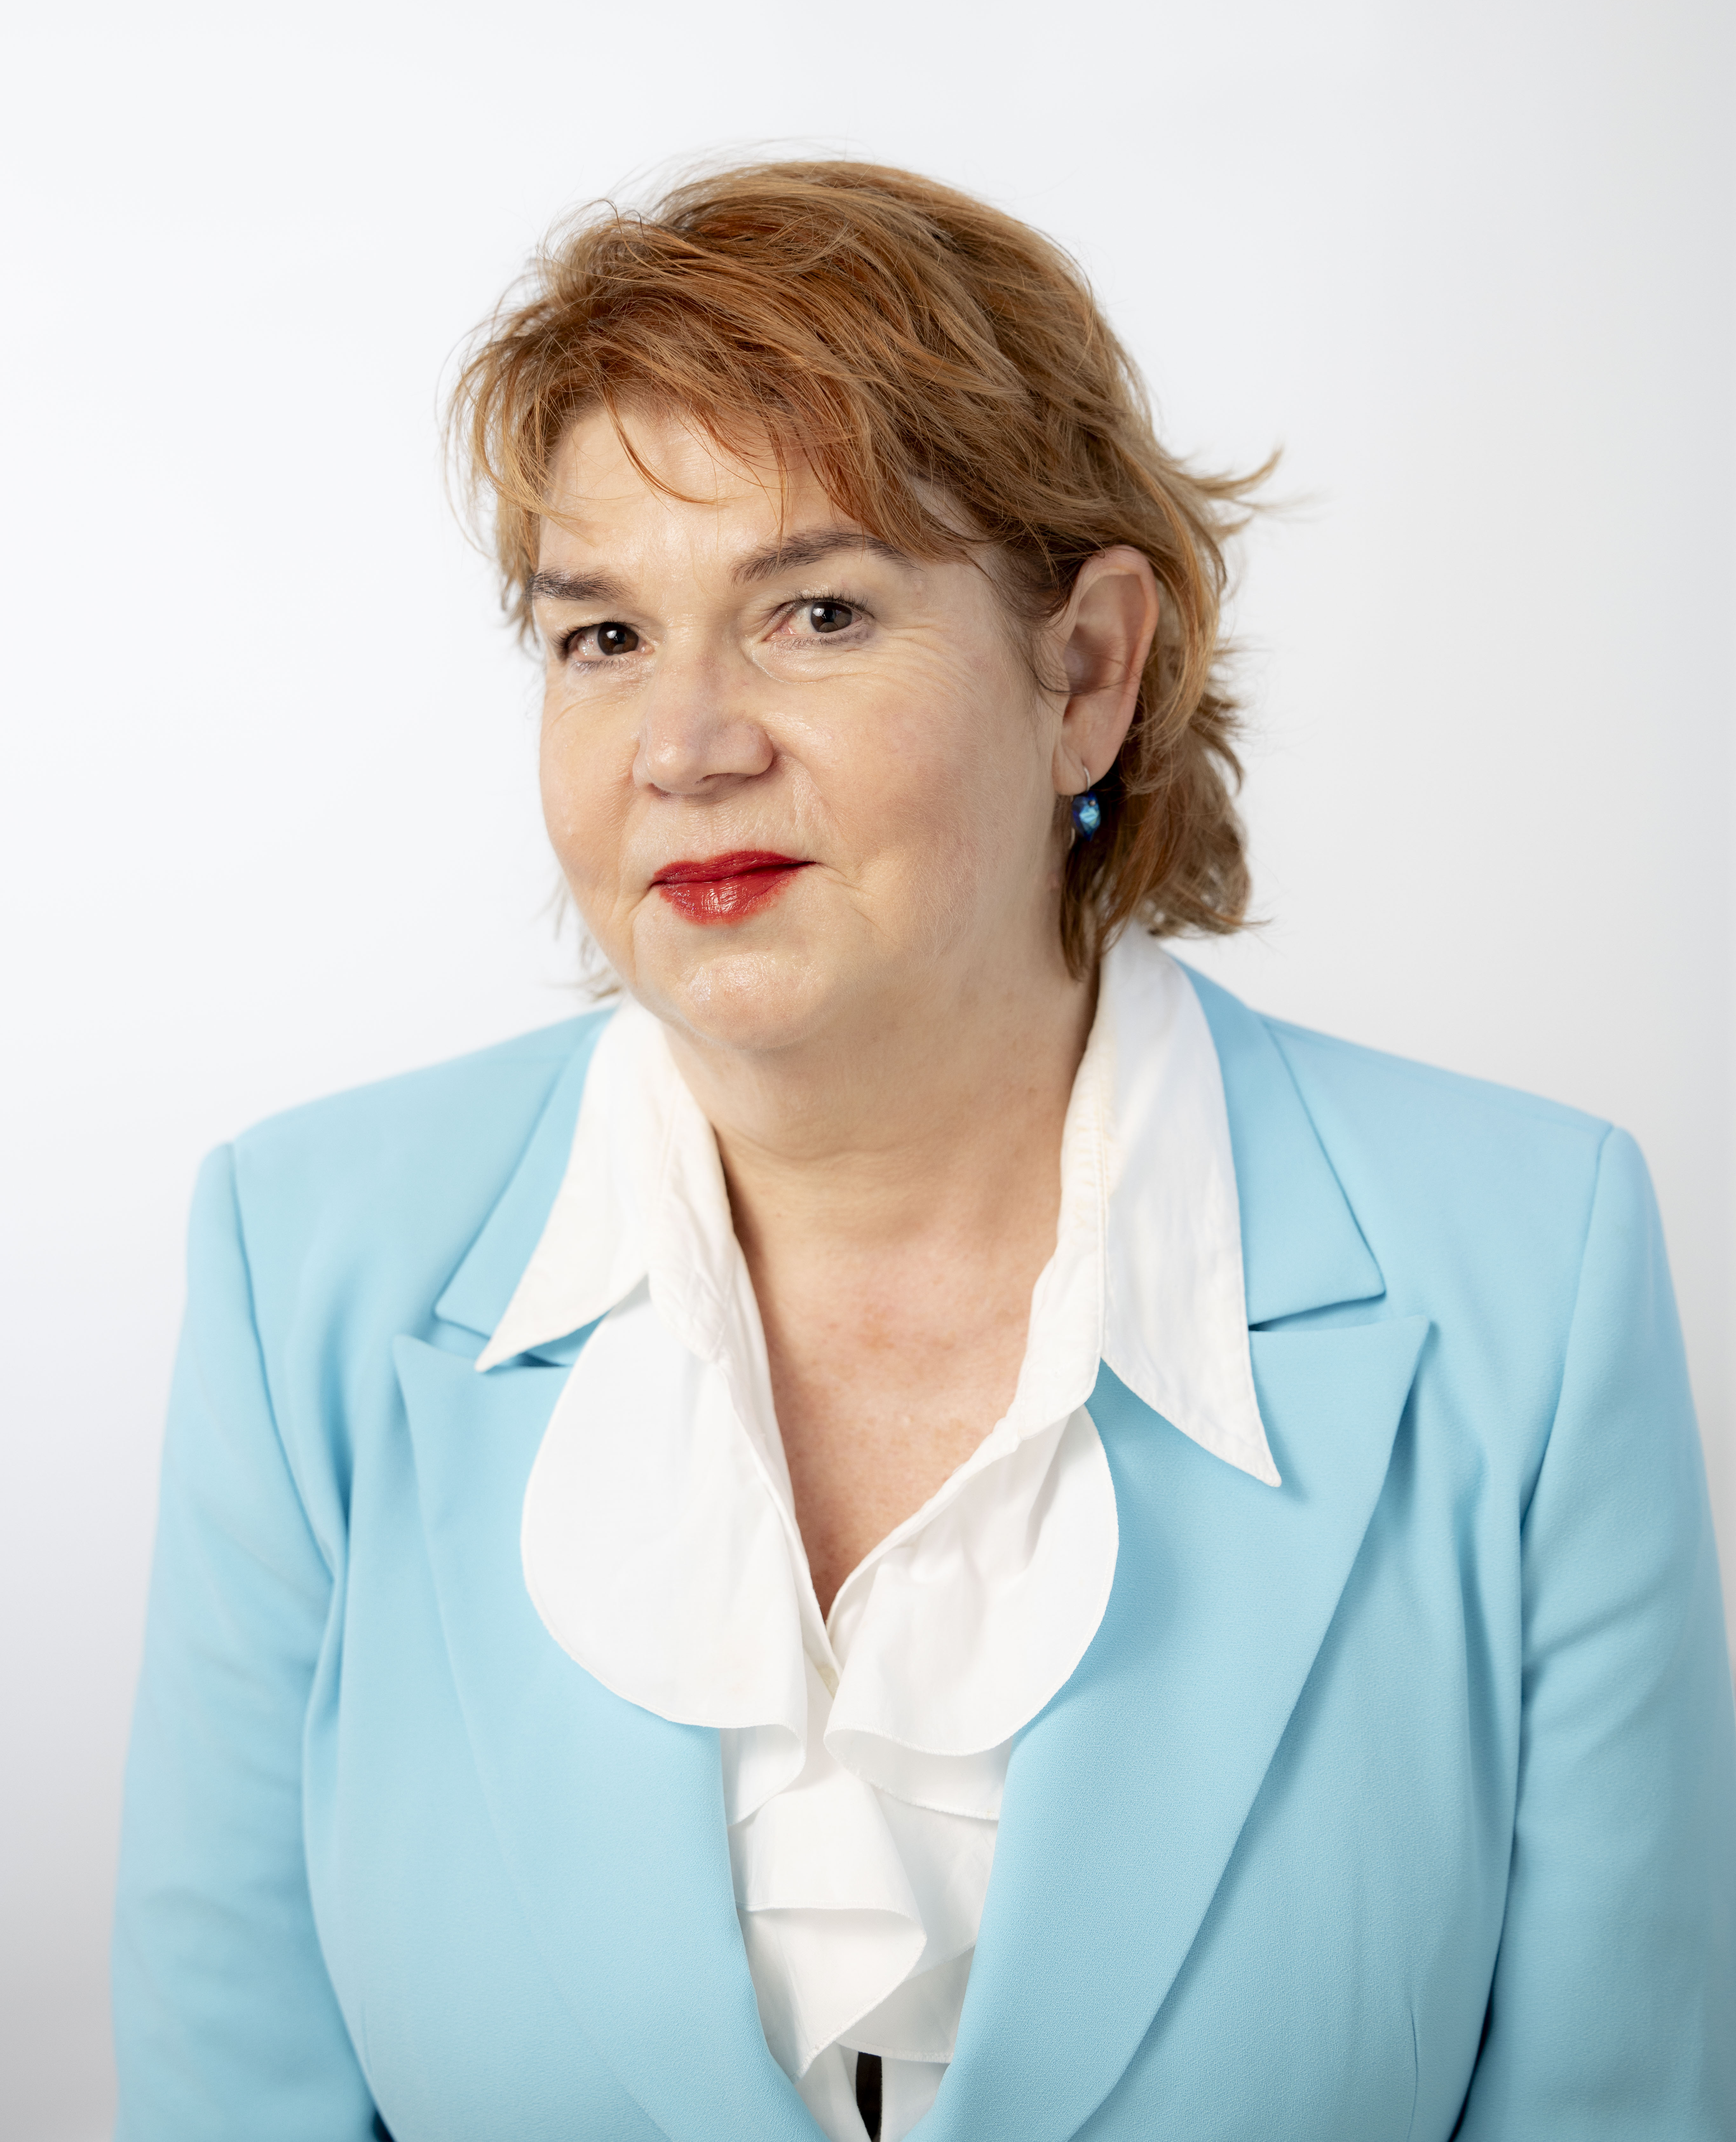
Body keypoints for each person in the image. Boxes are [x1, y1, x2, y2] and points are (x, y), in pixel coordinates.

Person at [112, 160, 1736, 2142]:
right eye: (601, 634)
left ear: (1086, 673)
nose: (685, 742)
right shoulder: (308, 1262)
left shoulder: (1525, 1270)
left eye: (813, 610)